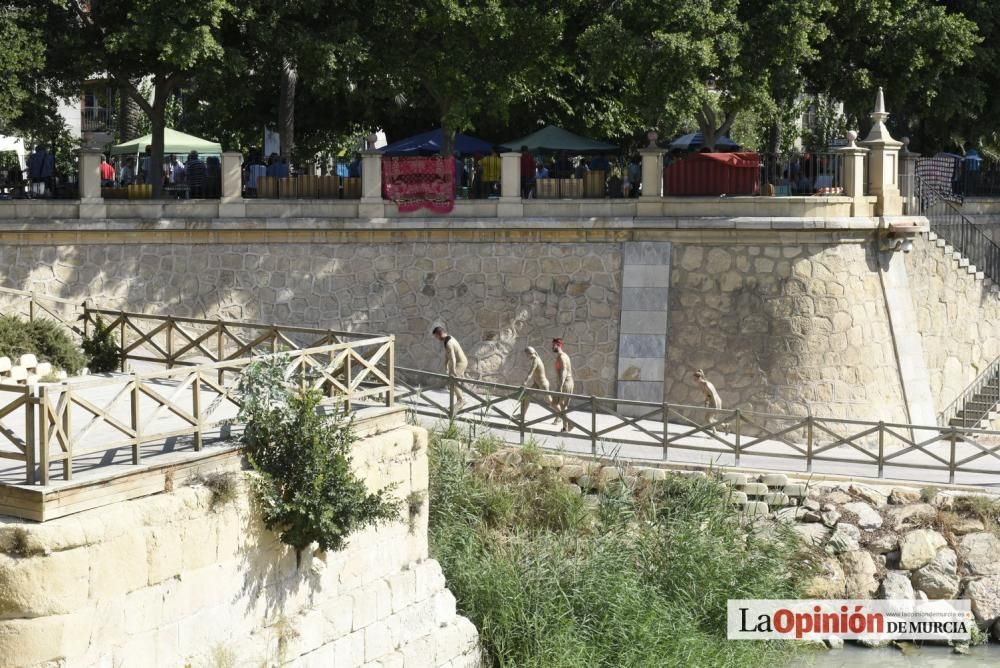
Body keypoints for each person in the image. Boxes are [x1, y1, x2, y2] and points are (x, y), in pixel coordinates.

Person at [432, 326, 468, 414]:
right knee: (456, 382)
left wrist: (453, 371)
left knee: (453, 381)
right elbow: (447, 355)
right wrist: (445, 365)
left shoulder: (449, 343)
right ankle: (460, 401)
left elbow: (452, 358)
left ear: (438, 334)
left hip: (460, 363)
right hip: (462, 361)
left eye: (436, 337)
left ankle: (461, 400)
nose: (436, 339)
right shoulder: (448, 339)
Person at [516, 346, 550, 419]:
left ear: (529, 354)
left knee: (550, 402)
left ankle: (561, 416)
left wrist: (525, 382)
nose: (526, 356)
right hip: (537, 384)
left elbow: (530, 373)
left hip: (543, 384)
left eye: (526, 354)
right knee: (527, 397)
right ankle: (522, 415)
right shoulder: (536, 358)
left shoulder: (536, 360)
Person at [551, 338, 574, 432]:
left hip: (565, 383)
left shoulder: (561, 356)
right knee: (559, 404)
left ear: (558, 345)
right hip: (568, 382)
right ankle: (567, 425)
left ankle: (567, 425)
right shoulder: (564, 355)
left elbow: (564, 370)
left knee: (559, 404)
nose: (552, 347)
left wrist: (560, 385)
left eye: (553, 345)